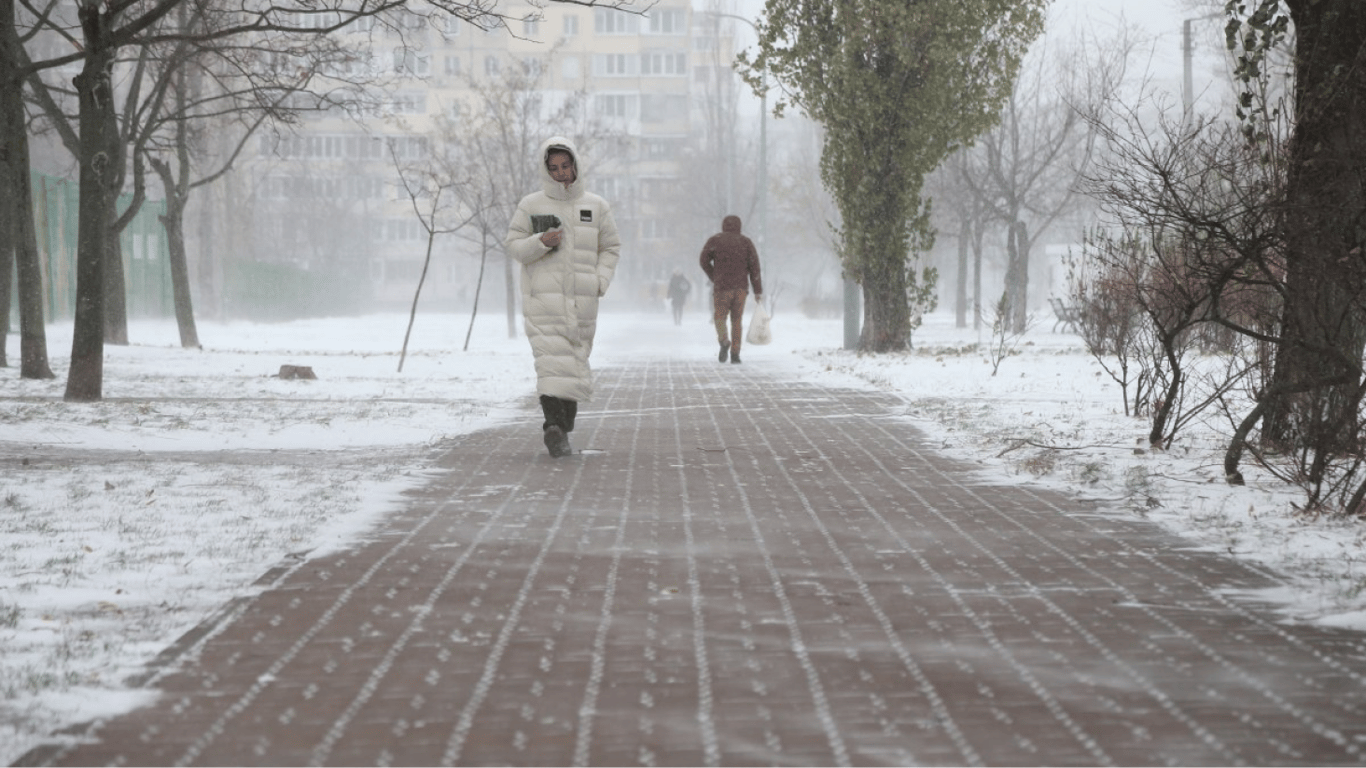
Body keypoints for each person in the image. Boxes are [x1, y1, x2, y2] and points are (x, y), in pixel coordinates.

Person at [505, 137, 621, 458]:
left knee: (572, 363)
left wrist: (600, 279)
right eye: (553, 168)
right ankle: (552, 427)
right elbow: (514, 245)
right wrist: (541, 241)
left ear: (575, 165)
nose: (560, 174)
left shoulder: (596, 206)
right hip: (543, 300)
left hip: (582, 302)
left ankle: (563, 427)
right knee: (549, 364)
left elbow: (611, 247)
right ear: (546, 170)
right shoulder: (531, 205)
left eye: (565, 166)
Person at [699, 215, 762, 364]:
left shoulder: (715, 240)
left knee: (719, 317)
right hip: (740, 288)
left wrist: (714, 276)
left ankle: (724, 340)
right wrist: (758, 290)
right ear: (739, 226)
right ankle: (735, 354)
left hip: (722, 287)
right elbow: (755, 267)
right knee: (737, 321)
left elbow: (703, 260)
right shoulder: (746, 242)